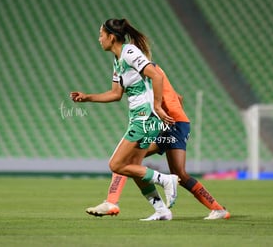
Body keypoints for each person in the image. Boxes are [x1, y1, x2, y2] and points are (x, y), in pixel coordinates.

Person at [85, 63, 231, 220]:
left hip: (167, 122)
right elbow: (178, 97)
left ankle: (113, 202)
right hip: (177, 122)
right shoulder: (152, 68)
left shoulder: (144, 69)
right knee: (175, 172)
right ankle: (215, 209)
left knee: (125, 161)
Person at [70, 18, 179, 215]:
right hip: (141, 118)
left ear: (111, 37)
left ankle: (166, 179)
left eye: (101, 35)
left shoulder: (130, 52)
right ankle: (162, 211)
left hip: (145, 117)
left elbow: (156, 75)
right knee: (133, 167)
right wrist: (88, 97)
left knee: (117, 165)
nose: (99, 39)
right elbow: (115, 94)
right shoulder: (118, 60)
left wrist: (157, 106)